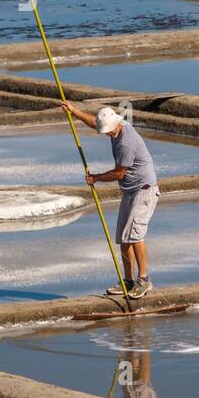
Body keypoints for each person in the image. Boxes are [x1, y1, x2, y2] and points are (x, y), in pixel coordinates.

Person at [62, 102, 159, 299]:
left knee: (135, 236)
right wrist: (73, 111)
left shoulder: (125, 142)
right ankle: (128, 281)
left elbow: (119, 173)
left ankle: (144, 280)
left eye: (108, 131)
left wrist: (96, 178)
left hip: (143, 191)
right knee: (123, 238)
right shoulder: (116, 128)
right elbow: (93, 122)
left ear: (117, 124)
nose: (107, 134)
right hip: (130, 192)